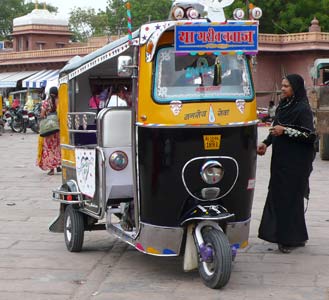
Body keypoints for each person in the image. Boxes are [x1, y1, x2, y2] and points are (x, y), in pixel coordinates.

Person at [257, 74, 316, 254]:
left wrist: (286, 131)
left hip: (296, 163)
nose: (282, 89)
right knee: (279, 196)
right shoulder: (284, 105)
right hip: (280, 161)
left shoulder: (303, 108)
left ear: (295, 88)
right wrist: (266, 143)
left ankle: (286, 239)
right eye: (282, 86)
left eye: (286, 86)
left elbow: (309, 136)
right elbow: (276, 127)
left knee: (288, 199)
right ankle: (296, 236)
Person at [36, 86, 62, 175]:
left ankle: (51, 169)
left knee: (49, 148)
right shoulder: (60, 102)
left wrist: (44, 116)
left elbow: (42, 114)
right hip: (58, 129)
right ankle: (58, 165)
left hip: (49, 129)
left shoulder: (46, 103)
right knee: (57, 147)